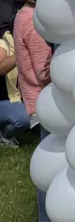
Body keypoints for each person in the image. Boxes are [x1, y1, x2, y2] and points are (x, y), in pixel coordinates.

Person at [13, 0, 68, 222]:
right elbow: (42, 71)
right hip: (44, 102)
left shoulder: (23, 15)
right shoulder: (34, 22)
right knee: (50, 165)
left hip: (40, 100)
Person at [0, 18, 28, 146]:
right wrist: (20, 52)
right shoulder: (4, 43)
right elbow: (1, 68)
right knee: (25, 118)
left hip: (22, 98)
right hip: (4, 99)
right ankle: (4, 136)